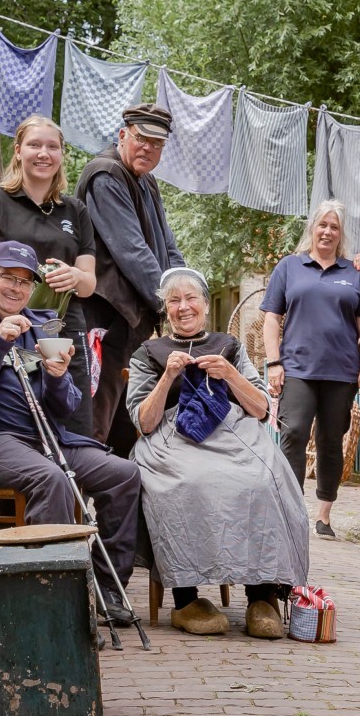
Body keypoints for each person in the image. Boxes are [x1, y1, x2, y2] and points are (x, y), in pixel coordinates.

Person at [0, 240, 141, 622]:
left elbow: (66, 406)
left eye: (25, 282)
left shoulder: (41, 324)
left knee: (123, 475)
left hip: (48, 438)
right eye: (7, 277)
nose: (16, 288)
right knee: (52, 480)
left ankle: (105, 590)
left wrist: (58, 378)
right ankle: (53, 600)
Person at [127, 267, 309, 639]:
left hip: (233, 433)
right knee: (185, 484)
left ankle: (263, 596)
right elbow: (143, 423)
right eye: (174, 300)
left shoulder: (231, 346)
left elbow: (259, 409)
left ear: (206, 305)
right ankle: (186, 600)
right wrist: (167, 378)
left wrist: (229, 374)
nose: (183, 307)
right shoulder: (148, 353)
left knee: (261, 481)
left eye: (191, 298)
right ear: (166, 309)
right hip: (171, 441)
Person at [0, 115, 97, 436]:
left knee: (75, 424)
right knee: (19, 421)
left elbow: (89, 282)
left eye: (52, 147)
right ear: (18, 151)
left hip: (63, 330)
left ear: (61, 155)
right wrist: (11, 277)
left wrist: (73, 275)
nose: (44, 153)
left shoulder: (75, 211)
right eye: (34, 145)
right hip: (10, 330)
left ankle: (75, 485)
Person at [263, 201, 360, 540]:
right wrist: (274, 362)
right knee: (293, 432)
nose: (327, 231)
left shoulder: (355, 273)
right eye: (322, 225)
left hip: (341, 372)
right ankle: (291, 508)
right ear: (312, 228)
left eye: (335, 227)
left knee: (331, 441)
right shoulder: (290, 267)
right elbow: (272, 318)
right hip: (297, 368)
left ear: (341, 234)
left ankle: (324, 515)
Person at [77, 103, 186, 454]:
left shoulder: (147, 182)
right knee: (96, 422)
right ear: (123, 135)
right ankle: (78, 506)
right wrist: (171, 304)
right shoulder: (106, 174)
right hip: (104, 320)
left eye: (157, 144)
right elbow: (133, 252)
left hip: (133, 323)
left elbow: (167, 247)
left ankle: (120, 508)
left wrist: (186, 290)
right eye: (142, 139)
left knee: (128, 423)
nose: (148, 149)